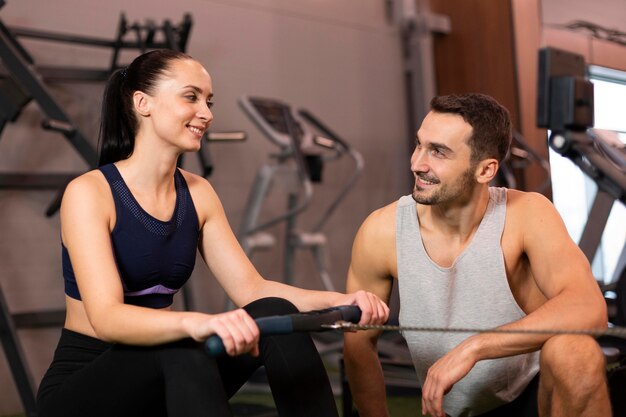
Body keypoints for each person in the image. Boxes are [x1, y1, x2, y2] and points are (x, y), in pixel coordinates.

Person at [36, 49, 389, 417]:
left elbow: (252, 290)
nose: (206, 113)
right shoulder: (90, 192)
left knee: (272, 313)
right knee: (181, 344)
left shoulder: (198, 192)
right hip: (86, 388)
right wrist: (199, 322)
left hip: (167, 372)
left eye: (208, 100)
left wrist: (342, 300)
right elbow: (107, 317)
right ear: (143, 103)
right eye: (191, 97)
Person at [343, 93, 612, 417]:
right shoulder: (381, 231)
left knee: (575, 351)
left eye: (438, 152)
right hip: (448, 410)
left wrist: (475, 347)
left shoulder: (527, 214)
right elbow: (359, 346)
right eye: (419, 145)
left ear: (485, 170)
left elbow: (589, 308)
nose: (417, 163)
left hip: (530, 399)